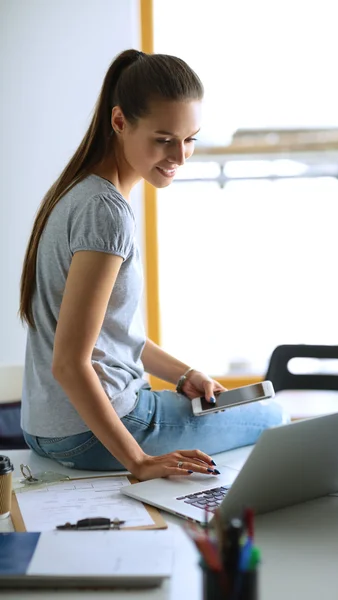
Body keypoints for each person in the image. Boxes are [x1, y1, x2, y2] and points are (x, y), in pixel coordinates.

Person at [19, 49, 285, 481]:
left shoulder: (77, 194)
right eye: (164, 139)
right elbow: (69, 363)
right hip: (93, 430)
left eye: (191, 138)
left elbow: (111, 338)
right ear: (120, 121)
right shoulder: (106, 210)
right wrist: (138, 462)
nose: (180, 155)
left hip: (44, 429)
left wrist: (184, 375)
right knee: (273, 415)